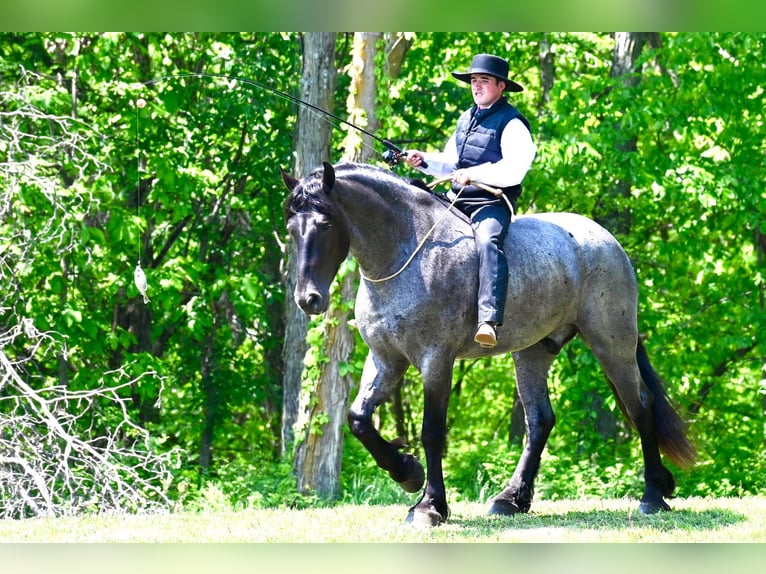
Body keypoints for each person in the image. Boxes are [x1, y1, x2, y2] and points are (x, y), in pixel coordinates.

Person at [405, 53, 536, 348]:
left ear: (501, 86)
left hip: (490, 203)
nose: (476, 86)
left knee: (488, 242)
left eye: (484, 81)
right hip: (457, 198)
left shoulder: (513, 123)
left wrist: (472, 174)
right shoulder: (466, 119)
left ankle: (487, 320)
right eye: (474, 81)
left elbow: (515, 168)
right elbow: (451, 161)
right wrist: (422, 160)